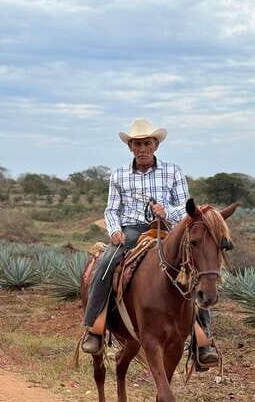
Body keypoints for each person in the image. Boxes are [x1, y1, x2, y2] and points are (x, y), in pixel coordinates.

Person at [80, 118, 218, 366]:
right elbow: (111, 209)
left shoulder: (173, 171)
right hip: (132, 231)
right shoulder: (119, 175)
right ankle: (94, 329)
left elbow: (187, 208)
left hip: (167, 230)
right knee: (105, 265)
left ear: (156, 145)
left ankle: (203, 341)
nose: (142, 148)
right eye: (137, 144)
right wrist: (114, 231)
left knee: (195, 269)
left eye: (147, 143)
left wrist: (166, 212)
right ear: (130, 147)